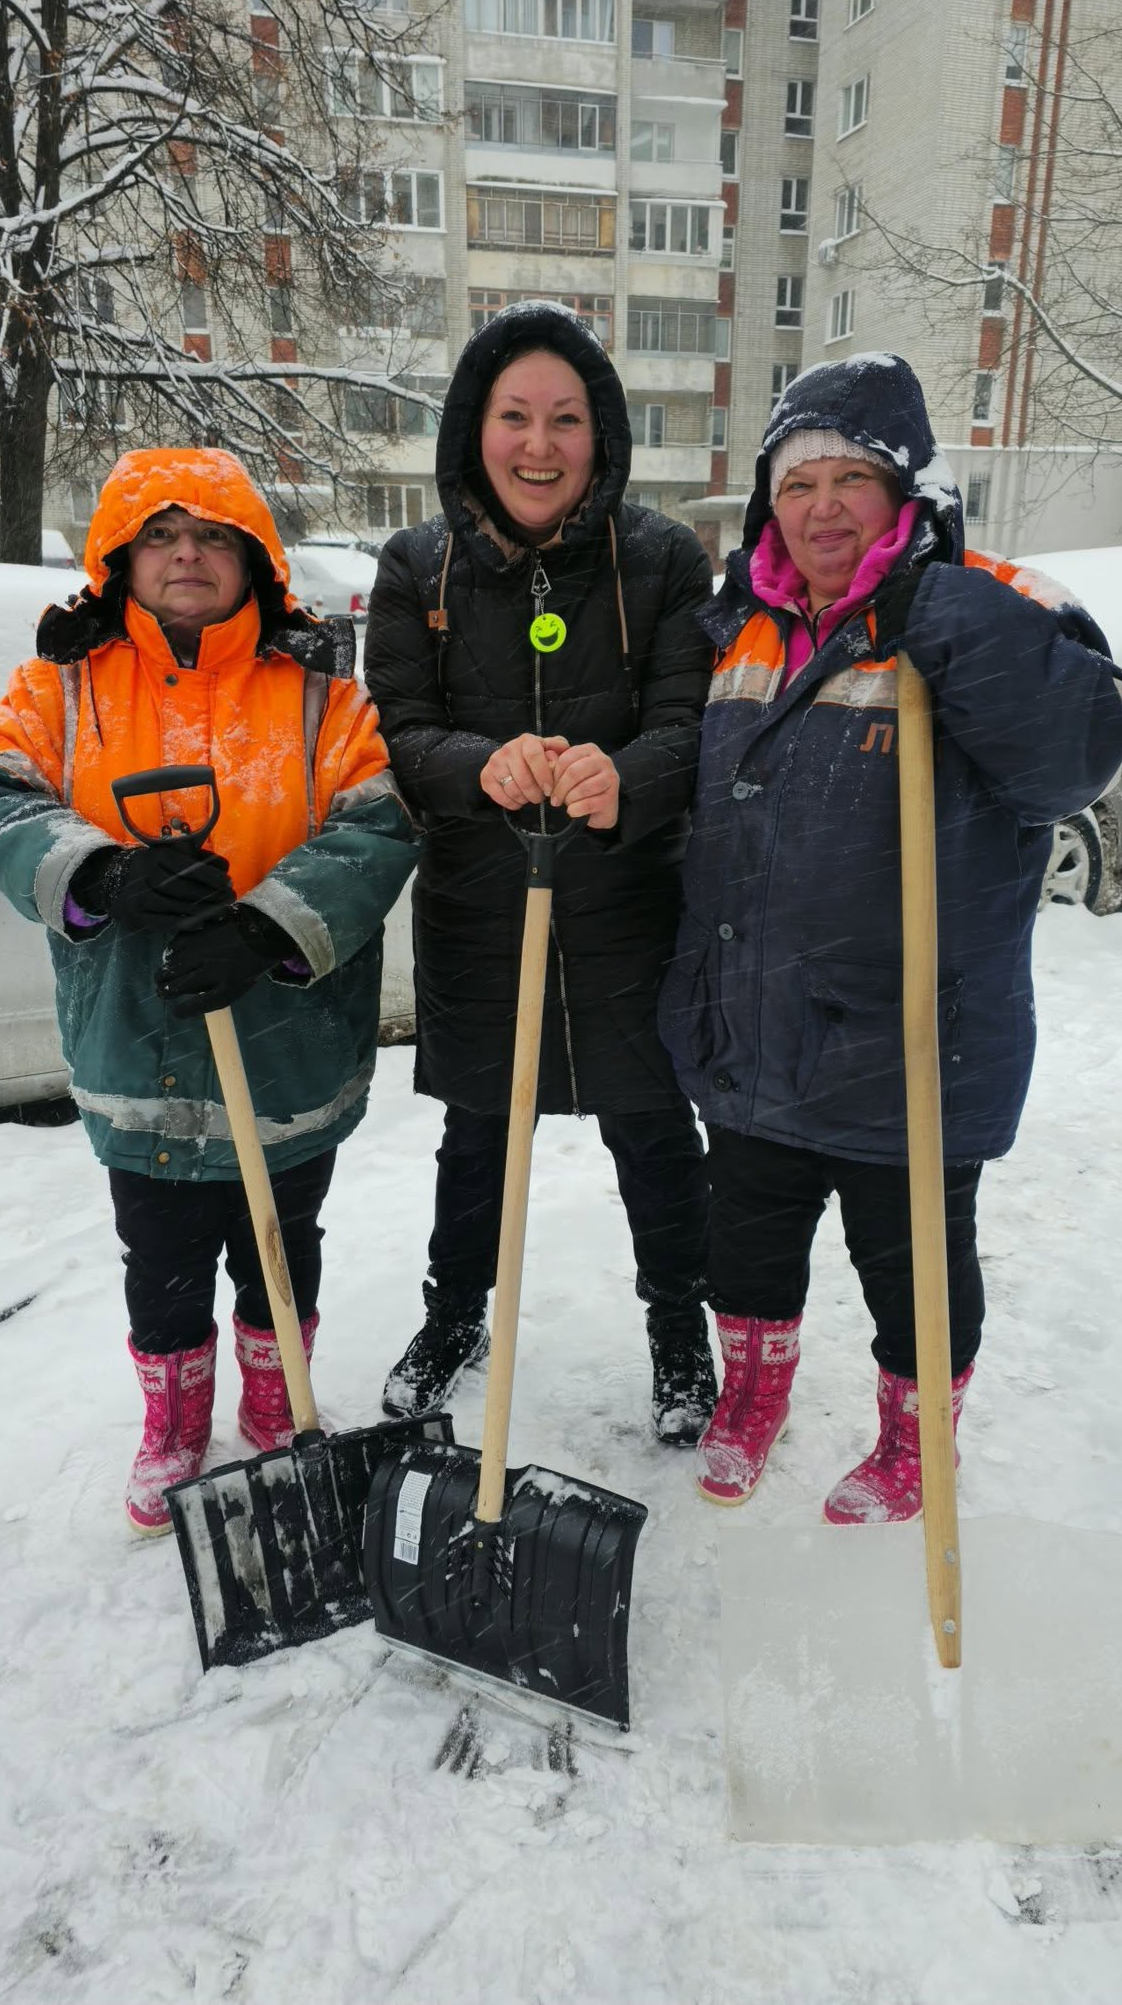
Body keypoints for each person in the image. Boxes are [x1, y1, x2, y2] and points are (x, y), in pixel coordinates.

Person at [659, 354, 1122, 1513]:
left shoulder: (997, 600)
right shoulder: (737, 628)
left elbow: (1081, 751)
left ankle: (915, 1437)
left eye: (850, 477)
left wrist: (938, 609)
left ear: (904, 488)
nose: (821, 505)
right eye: (795, 482)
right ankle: (752, 1391)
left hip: (916, 1042)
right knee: (748, 1244)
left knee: (914, 1267)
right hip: (758, 1021)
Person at [0, 449, 417, 1533]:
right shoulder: (60, 690)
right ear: (120, 560)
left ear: (255, 560)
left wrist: (268, 924)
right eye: (160, 536)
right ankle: (171, 1425)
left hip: (286, 1045)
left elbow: (375, 824)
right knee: (160, 1253)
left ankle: (274, 1401)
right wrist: (104, 870)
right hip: (138, 1040)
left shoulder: (318, 700)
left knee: (281, 1239)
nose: (186, 556)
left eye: (212, 536)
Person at [363, 302, 716, 1442]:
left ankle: (679, 1333)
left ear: (599, 434)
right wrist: (482, 762)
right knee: (477, 1139)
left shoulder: (660, 559)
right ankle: (454, 1313)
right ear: (475, 428)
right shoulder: (416, 566)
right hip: (481, 911)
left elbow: (693, 722)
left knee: (656, 1136)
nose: (538, 443)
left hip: (628, 908)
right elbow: (402, 734)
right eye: (514, 415)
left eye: (565, 418)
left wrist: (630, 774)